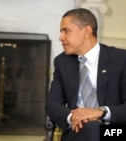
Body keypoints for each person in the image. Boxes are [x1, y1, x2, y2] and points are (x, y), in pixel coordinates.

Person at [45, 8, 126, 141]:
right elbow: (52, 104)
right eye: (61, 32)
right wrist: (74, 117)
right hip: (77, 131)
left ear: (87, 32)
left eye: (66, 31)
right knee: (91, 128)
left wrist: (100, 112)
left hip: (115, 132)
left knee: (95, 128)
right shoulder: (62, 62)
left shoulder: (120, 59)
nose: (61, 37)